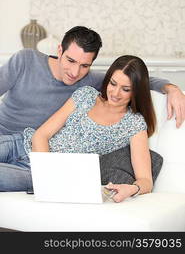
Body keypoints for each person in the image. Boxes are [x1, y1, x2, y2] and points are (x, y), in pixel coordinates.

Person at [0, 26, 184, 192]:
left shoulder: (128, 119)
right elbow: (40, 135)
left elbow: (133, 79)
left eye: (84, 65)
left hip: (40, 167)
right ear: (59, 51)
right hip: (18, 142)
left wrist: (170, 88)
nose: (75, 72)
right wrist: (47, 172)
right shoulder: (82, 92)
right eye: (70, 60)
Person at [0, 55, 157, 202]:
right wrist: (46, 169)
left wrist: (131, 189)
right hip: (20, 145)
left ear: (136, 91)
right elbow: (41, 134)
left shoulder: (135, 124)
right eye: (113, 84)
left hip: (37, 174)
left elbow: (146, 180)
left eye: (126, 89)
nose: (115, 93)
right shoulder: (86, 95)